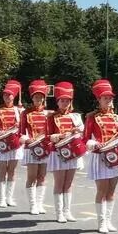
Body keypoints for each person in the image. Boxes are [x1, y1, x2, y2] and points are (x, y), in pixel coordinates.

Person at [83, 79, 118, 234]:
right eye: (105, 98)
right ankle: (101, 222)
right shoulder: (92, 117)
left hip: (116, 157)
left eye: (110, 98)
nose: (109, 100)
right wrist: (94, 143)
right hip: (100, 157)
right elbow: (85, 139)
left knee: (111, 191)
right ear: (99, 100)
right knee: (102, 190)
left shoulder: (117, 117)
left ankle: (109, 220)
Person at [47, 81, 84, 223]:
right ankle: (59, 213)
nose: (64, 103)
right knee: (59, 183)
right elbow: (47, 136)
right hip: (58, 152)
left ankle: (67, 211)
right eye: (62, 101)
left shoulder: (76, 117)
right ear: (57, 102)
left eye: (67, 101)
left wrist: (77, 131)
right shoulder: (51, 117)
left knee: (69, 183)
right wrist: (59, 136)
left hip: (73, 152)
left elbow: (83, 133)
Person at [0, 79, 24, 208]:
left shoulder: (19, 111)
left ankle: (9, 198)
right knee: (2, 171)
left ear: (13, 96)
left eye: (9, 95)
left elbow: (24, 127)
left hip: (15, 143)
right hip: (2, 143)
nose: (7, 97)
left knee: (12, 171)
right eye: (5, 95)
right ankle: (1, 199)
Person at [20, 80, 51, 215]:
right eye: (36, 97)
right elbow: (20, 133)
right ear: (32, 98)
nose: (38, 99)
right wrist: (28, 140)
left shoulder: (49, 114)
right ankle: (32, 205)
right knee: (32, 176)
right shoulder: (25, 113)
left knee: (42, 176)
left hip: (45, 148)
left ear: (44, 99)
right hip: (31, 148)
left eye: (40, 97)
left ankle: (40, 203)